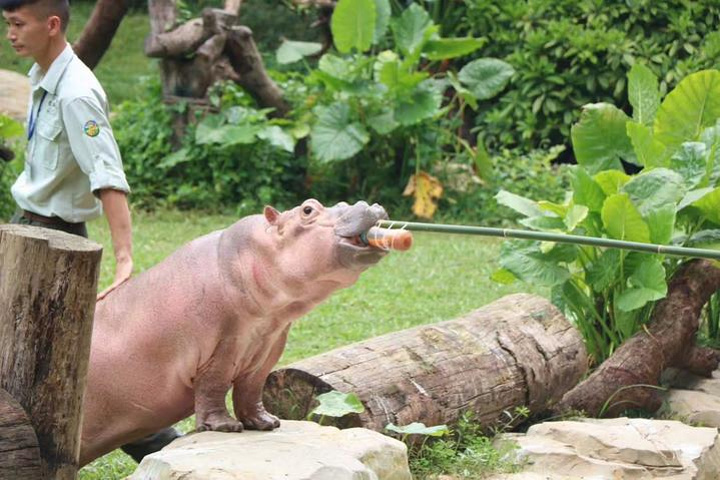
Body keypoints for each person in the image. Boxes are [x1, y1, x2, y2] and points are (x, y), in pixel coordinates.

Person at [2, 0, 180, 463]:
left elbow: (107, 176)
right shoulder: (44, 76)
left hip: (58, 243)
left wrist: (124, 259)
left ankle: (171, 452)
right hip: (28, 230)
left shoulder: (78, 91)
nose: (11, 35)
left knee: (78, 367)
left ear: (52, 24)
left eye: (19, 24)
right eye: (8, 25)